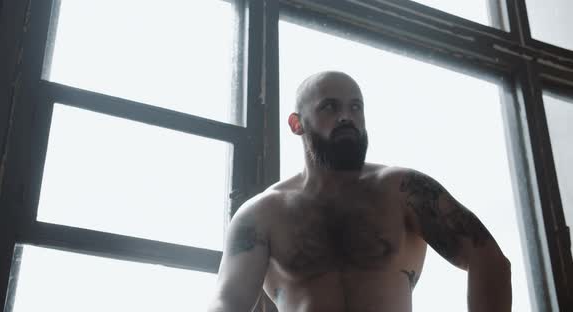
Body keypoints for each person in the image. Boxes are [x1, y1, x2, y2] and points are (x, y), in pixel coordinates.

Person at [208, 71, 512, 312]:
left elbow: (489, 260)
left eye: (356, 107)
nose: (346, 116)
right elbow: (228, 302)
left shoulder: (403, 190)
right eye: (330, 106)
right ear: (297, 123)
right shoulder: (262, 214)